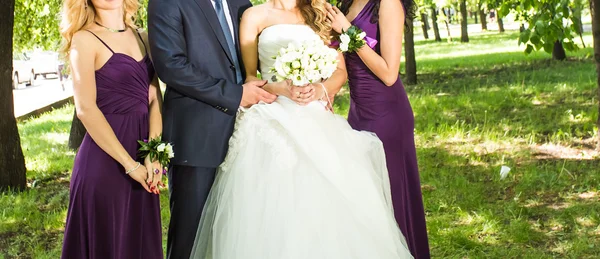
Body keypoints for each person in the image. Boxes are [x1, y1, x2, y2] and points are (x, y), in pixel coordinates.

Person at [189, 0, 414, 258]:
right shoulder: (252, 16)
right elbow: (251, 76)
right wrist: (282, 89)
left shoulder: (319, 12)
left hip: (314, 113)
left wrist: (319, 90)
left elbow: (340, 71)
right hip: (271, 115)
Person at [147, 0, 294, 257]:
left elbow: (258, 57)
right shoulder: (166, 2)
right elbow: (171, 66)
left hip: (250, 131)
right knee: (190, 234)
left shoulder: (241, 4)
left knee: (238, 233)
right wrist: (235, 95)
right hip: (198, 134)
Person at [326, 0, 431, 258]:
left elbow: (389, 73)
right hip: (358, 113)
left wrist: (348, 30)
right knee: (369, 203)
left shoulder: (387, 3)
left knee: (392, 198)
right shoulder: (347, 4)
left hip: (387, 115)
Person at [60, 0, 164, 258]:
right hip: (105, 163)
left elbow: (155, 100)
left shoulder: (145, 38)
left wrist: (153, 155)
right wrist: (130, 165)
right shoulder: (84, 40)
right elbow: (86, 109)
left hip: (143, 161)